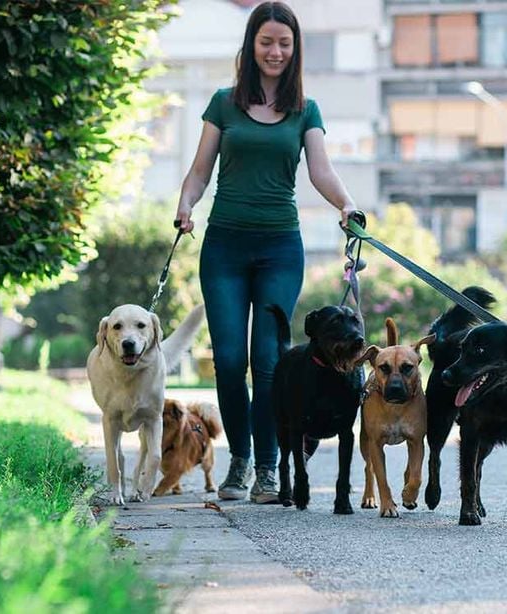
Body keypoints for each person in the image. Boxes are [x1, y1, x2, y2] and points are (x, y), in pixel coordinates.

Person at [173, 2, 358, 503]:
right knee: (231, 360)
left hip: (280, 247)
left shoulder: (305, 110)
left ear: (295, 50)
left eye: (284, 43)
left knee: (269, 358)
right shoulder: (223, 103)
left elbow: (320, 170)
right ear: (251, 45)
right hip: (225, 248)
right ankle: (239, 460)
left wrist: (346, 204)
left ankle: (270, 467)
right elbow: (199, 170)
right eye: (266, 41)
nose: (275, 51)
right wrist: (186, 204)